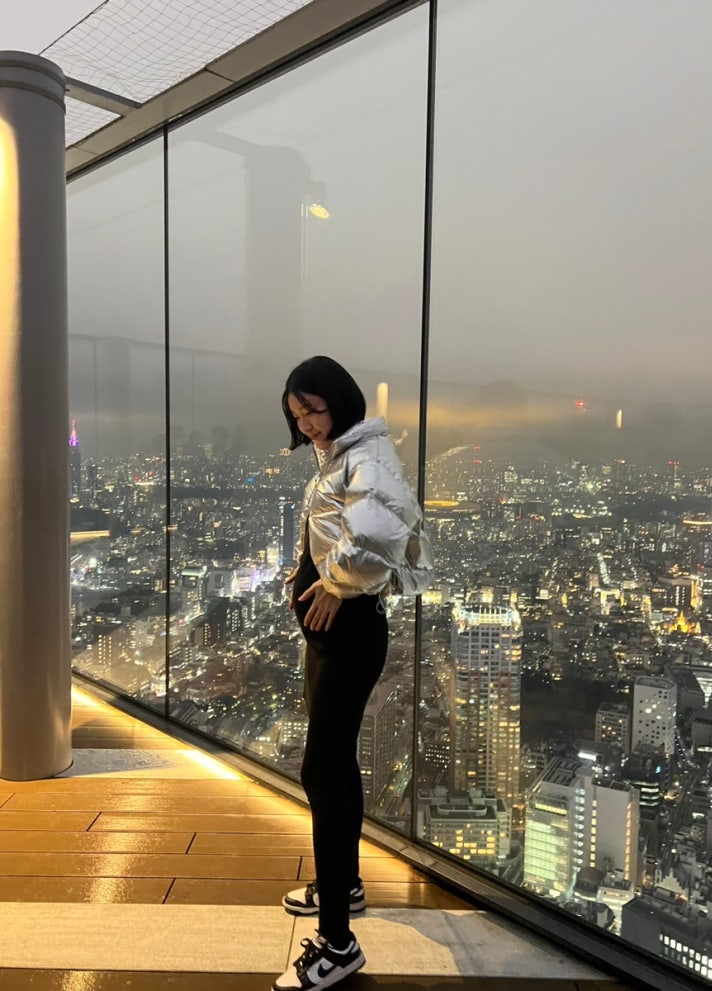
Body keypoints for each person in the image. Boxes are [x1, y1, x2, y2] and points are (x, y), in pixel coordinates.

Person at [273, 355, 432, 991]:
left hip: (351, 635)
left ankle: (338, 945)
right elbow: (337, 526)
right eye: (296, 415)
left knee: (321, 770)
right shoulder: (340, 455)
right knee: (335, 765)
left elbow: (380, 532)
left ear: (340, 400)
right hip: (332, 634)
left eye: (313, 409)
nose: (306, 424)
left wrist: (336, 582)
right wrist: (306, 572)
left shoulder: (369, 454)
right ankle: (347, 884)